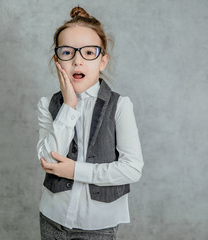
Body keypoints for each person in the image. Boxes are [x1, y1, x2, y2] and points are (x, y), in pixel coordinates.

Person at [36, 6, 144, 240]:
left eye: (88, 53)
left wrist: (75, 171)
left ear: (103, 61)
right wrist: (69, 106)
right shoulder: (48, 104)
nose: (77, 61)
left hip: (99, 223)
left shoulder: (120, 105)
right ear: (57, 60)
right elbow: (48, 159)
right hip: (52, 217)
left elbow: (132, 169)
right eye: (67, 52)